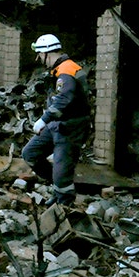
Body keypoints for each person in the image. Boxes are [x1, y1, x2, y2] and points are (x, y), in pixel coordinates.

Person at [21, 34, 92, 207]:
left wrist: (43, 120)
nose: (39, 59)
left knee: (62, 172)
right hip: (57, 126)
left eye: (40, 55)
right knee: (30, 153)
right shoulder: (61, 70)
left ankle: (64, 204)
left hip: (70, 128)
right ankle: (58, 187)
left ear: (47, 53)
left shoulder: (67, 70)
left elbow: (65, 98)